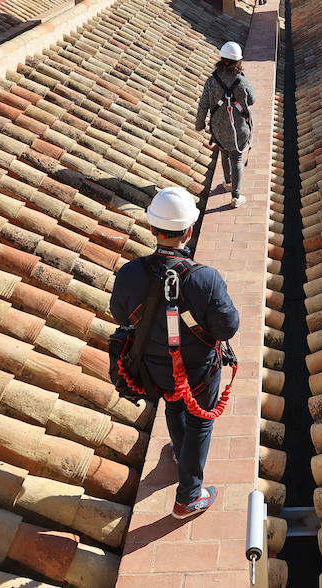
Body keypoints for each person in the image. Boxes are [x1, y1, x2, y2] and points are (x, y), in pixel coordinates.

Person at [110, 187, 241, 519]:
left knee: (173, 404)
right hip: (198, 370)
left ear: (152, 228)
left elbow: (121, 316)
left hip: (153, 369)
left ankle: (181, 453)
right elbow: (227, 328)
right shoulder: (205, 279)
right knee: (200, 421)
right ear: (190, 230)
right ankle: (189, 496)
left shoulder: (129, 274)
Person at [196, 41, 255, 208]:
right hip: (239, 129)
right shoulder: (242, 81)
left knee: (224, 153)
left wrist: (200, 124)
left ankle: (228, 182)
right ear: (238, 61)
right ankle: (236, 196)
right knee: (237, 158)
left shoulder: (211, 81)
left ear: (221, 59)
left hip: (218, 129)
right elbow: (252, 100)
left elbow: (203, 105)